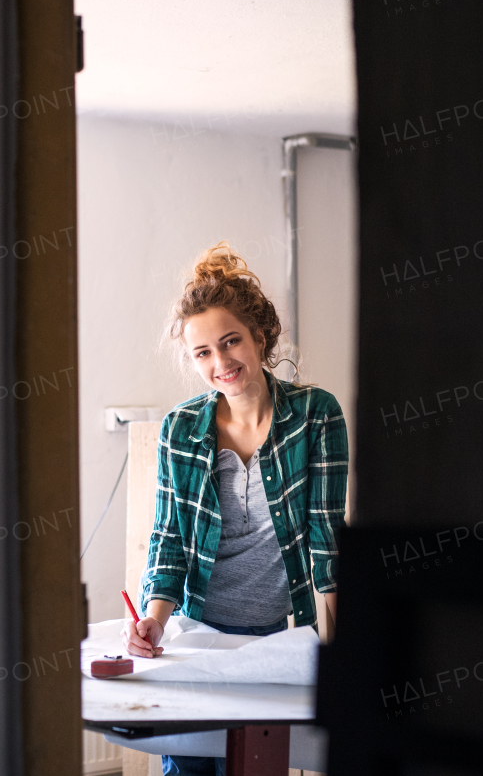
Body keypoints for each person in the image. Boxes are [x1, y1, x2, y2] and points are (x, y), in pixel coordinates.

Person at [121, 242, 348, 776]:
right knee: (189, 769)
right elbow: (169, 541)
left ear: (259, 336)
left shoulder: (316, 416)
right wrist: (153, 622)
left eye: (230, 343)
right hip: (196, 637)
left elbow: (328, 547)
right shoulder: (181, 429)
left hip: (276, 643)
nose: (221, 364)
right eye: (203, 353)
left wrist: (341, 659)